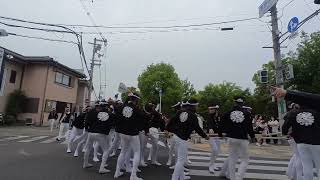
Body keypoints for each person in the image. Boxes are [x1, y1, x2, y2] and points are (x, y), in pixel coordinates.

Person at [166, 98, 209, 180]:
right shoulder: (193, 116)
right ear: (194, 106)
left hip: (176, 136)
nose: (197, 107)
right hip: (182, 139)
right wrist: (205, 136)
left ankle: (181, 177)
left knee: (179, 158)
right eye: (197, 106)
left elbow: (171, 121)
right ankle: (174, 178)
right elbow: (198, 129)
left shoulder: (180, 111)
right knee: (181, 160)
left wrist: (168, 129)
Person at [219, 97, 255, 180]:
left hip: (231, 137)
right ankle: (239, 177)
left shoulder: (228, 113)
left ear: (234, 103)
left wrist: (220, 134)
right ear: (242, 104)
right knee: (245, 159)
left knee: (232, 158)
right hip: (243, 138)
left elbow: (221, 124)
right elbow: (249, 127)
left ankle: (232, 177)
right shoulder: (247, 114)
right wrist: (252, 137)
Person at [282, 102, 320, 180]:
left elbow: (285, 128)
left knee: (306, 165)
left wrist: (289, 133)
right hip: (316, 142)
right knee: (318, 165)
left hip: (301, 142)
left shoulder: (294, 113)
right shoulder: (316, 112)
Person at [114, 92, 144, 180]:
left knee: (123, 152)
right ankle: (133, 175)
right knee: (137, 152)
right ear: (137, 99)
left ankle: (117, 172)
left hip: (122, 133)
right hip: (133, 133)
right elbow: (143, 118)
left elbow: (117, 118)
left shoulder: (121, 107)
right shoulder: (136, 109)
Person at [83, 100, 114, 174]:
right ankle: (102, 168)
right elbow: (112, 124)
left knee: (88, 148)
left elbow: (87, 121)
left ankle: (85, 163)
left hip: (91, 132)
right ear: (106, 106)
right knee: (106, 150)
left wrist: (87, 128)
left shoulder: (92, 111)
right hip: (101, 134)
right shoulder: (109, 114)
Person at [207, 104, 223, 173]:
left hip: (217, 136)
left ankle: (213, 164)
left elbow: (221, 125)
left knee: (218, 151)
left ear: (215, 110)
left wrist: (222, 133)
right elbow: (209, 124)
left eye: (211, 109)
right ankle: (210, 166)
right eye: (210, 109)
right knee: (215, 150)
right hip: (211, 136)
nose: (210, 110)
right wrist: (210, 128)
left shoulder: (219, 116)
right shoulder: (210, 116)